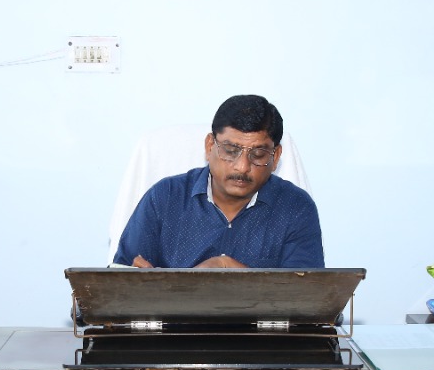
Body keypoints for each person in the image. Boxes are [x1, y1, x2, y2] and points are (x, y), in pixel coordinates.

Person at [113, 94, 323, 268]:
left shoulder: (295, 207)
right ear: (209, 146)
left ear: (275, 157)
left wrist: (229, 268)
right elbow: (120, 283)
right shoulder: (165, 197)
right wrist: (144, 284)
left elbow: (306, 296)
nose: (242, 167)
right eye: (230, 151)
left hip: (260, 311)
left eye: (258, 154)